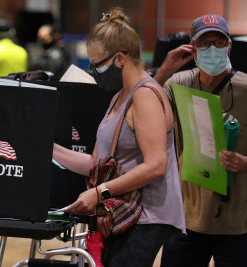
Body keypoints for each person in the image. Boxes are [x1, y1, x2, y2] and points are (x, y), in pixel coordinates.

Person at [52, 8, 185, 267]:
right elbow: (95, 163)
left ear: (120, 59)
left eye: (97, 64)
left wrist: (100, 192)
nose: (93, 71)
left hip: (147, 216)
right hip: (123, 214)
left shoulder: (145, 95)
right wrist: (49, 149)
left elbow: (156, 165)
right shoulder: (118, 96)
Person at [154, 14, 247, 267]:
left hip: (240, 226)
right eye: (204, 43)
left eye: (219, 42)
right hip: (187, 221)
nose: (212, 48)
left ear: (229, 46)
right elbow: (145, 107)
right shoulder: (178, 84)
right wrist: (166, 69)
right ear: (193, 48)